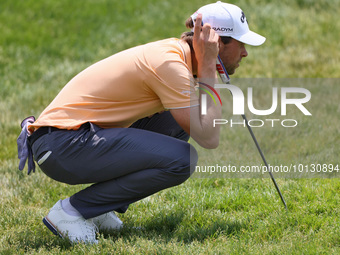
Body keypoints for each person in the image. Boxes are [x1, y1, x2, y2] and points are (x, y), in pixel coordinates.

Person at [17, 1, 265, 244]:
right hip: (62, 145)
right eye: (241, 44)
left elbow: (201, 124)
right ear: (217, 43)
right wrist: (210, 66)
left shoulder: (177, 57)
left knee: (177, 122)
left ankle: (101, 206)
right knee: (183, 159)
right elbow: (209, 139)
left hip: (71, 138)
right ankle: (72, 211)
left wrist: (208, 66)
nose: (245, 52)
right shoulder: (171, 65)